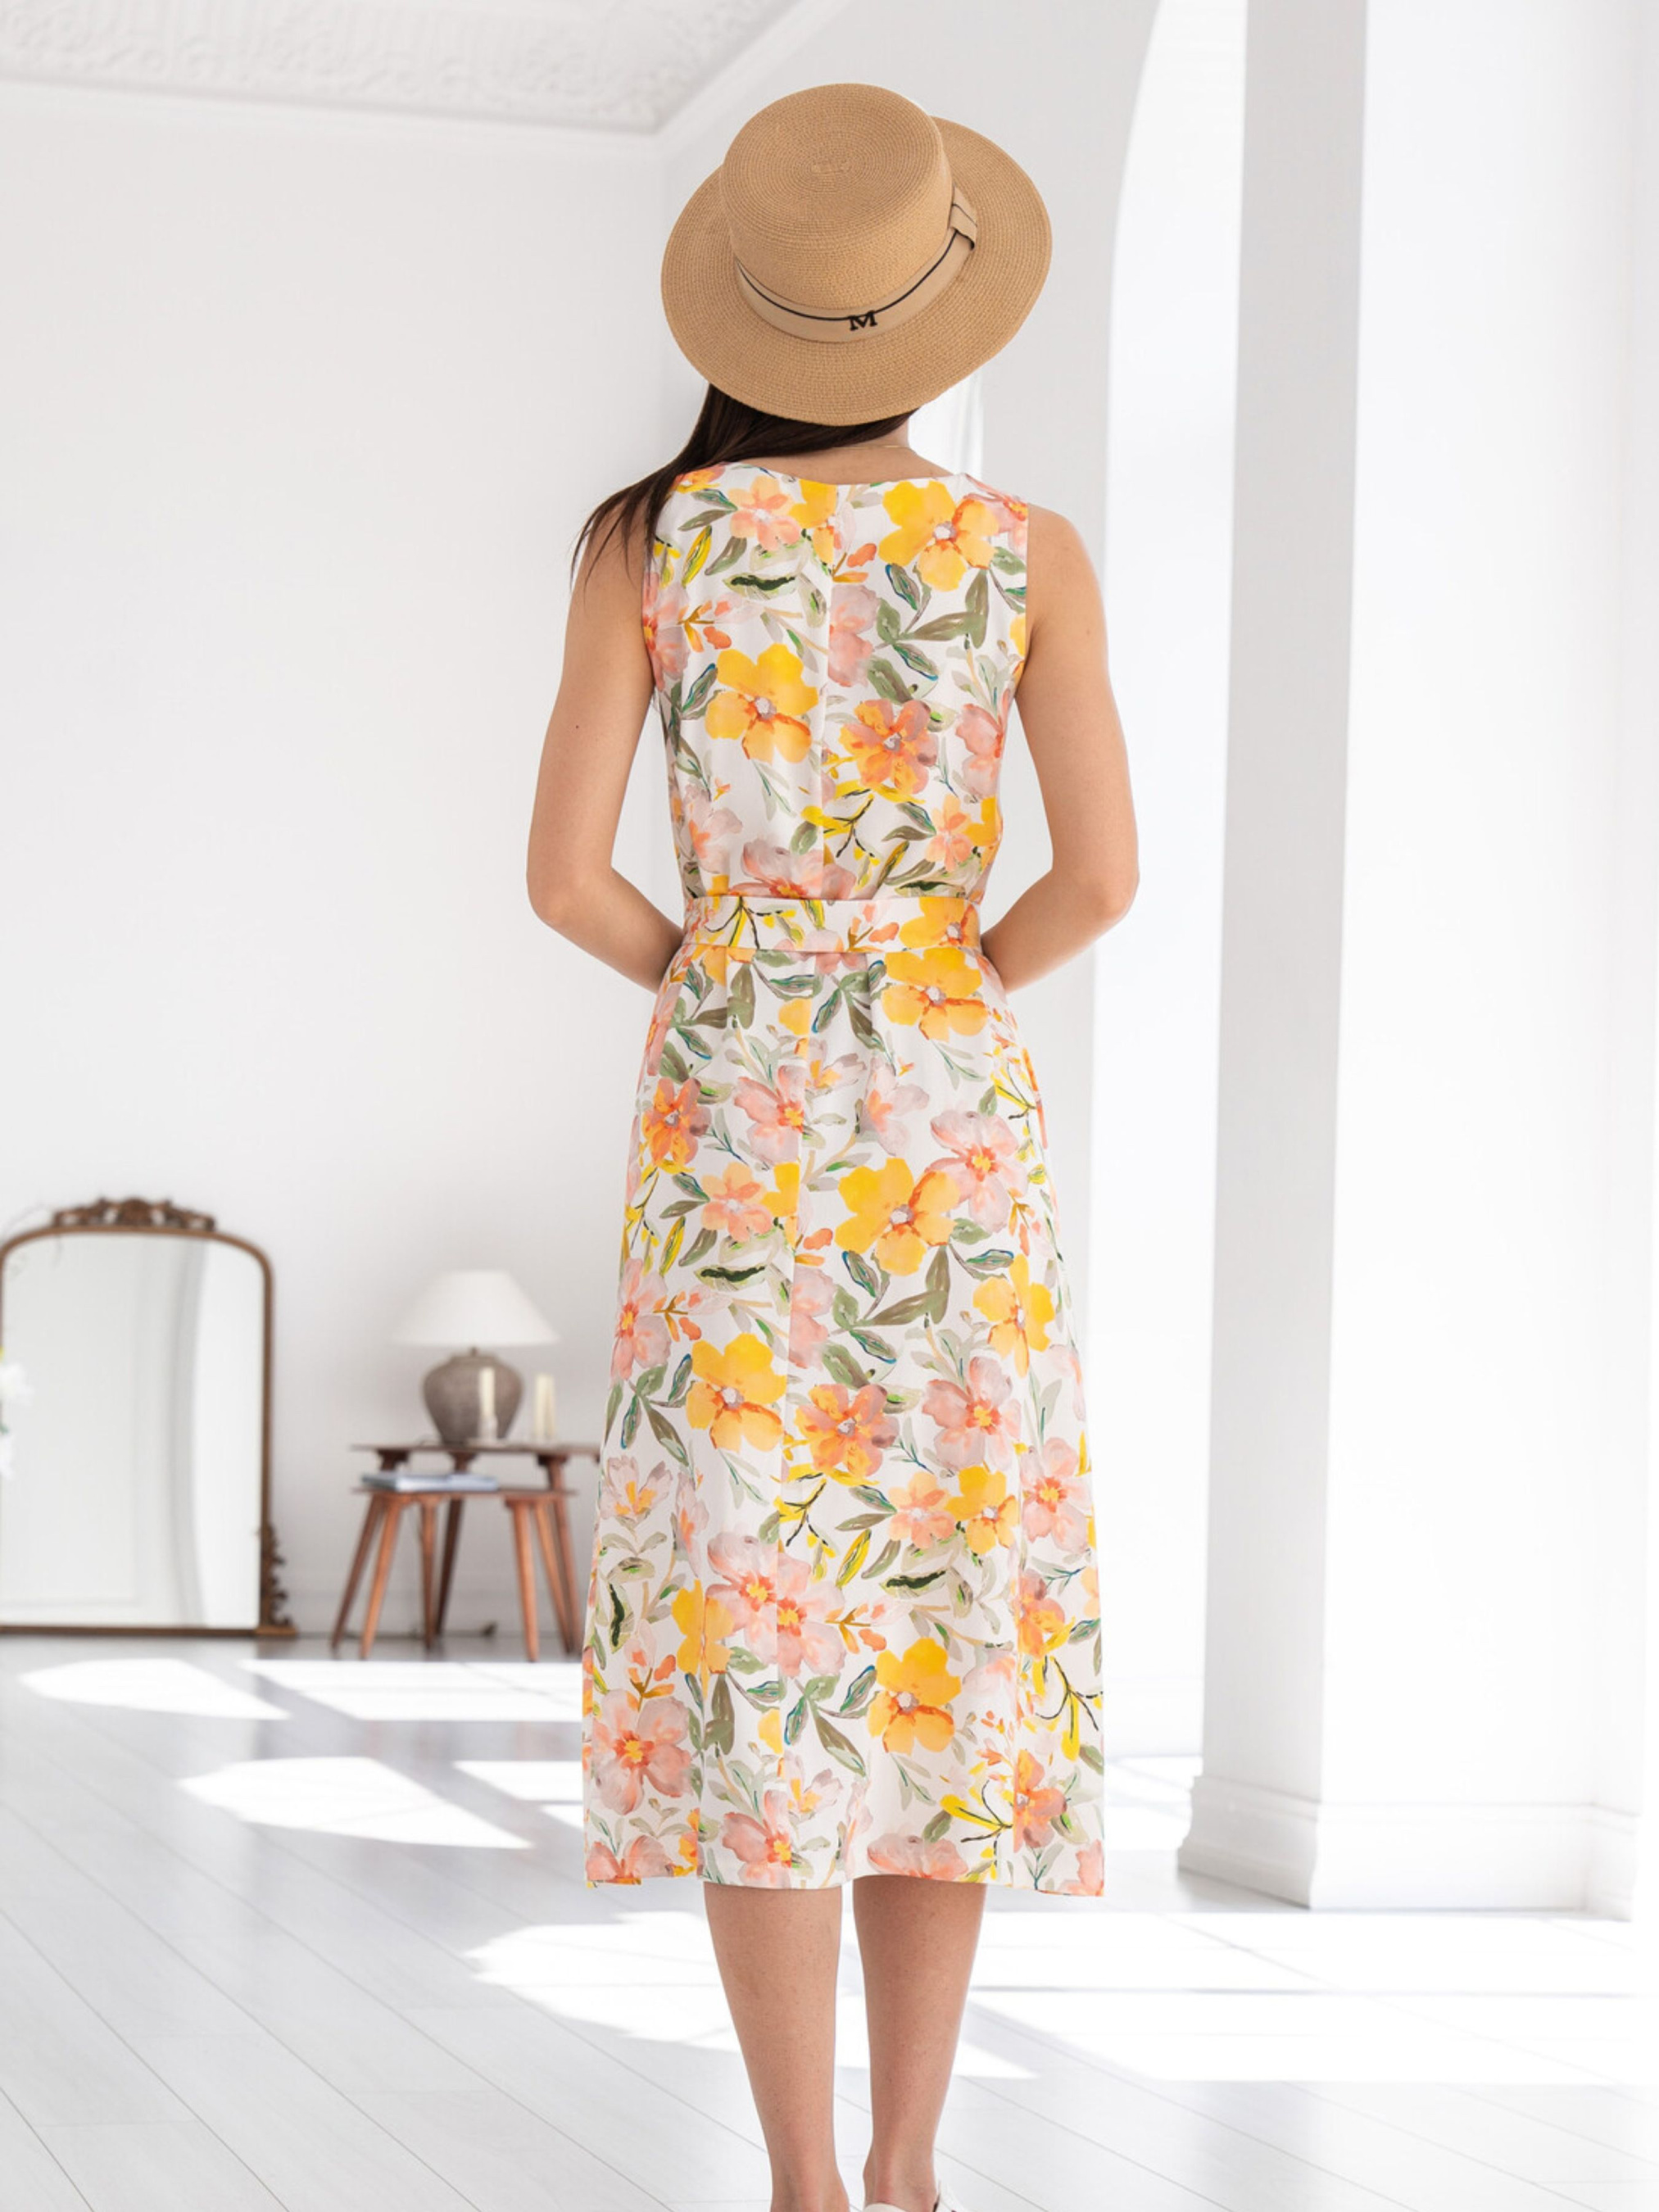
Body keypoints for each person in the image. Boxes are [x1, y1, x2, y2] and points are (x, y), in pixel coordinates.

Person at [528, 80, 1137, 2212]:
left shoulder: (652, 543)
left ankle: (794, 2179)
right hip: (949, 1127)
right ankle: (907, 2166)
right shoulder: (1022, 552)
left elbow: (564, 881)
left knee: (760, 1623)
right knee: (936, 1610)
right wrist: (931, 975)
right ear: (936, 309)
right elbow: (1099, 880)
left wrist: (736, 977)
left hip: (733, 1121)